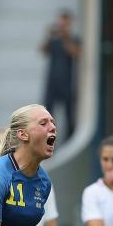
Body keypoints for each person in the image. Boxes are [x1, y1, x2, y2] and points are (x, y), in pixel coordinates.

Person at [40, 10, 79, 138]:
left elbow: (75, 52)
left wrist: (65, 37)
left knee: (69, 116)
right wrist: (49, 36)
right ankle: (48, 139)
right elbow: (42, 50)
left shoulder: (73, 39)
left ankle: (69, 138)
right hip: (52, 82)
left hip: (67, 83)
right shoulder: (54, 40)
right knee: (48, 114)